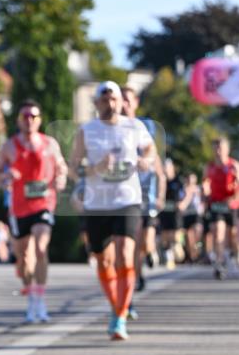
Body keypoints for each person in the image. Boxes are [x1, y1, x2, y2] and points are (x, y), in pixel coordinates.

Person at [70, 80, 155, 341]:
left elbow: (150, 148)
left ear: (121, 102)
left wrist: (146, 159)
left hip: (127, 200)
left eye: (114, 99)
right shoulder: (87, 131)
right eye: (104, 99)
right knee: (104, 261)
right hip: (97, 205)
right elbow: (73, 168)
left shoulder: (134, 126)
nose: (110, 103)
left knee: (125, 256)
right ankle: (116, 306)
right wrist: (95, 168)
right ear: (96, 103)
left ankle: (120, 316)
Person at [0, 100, 67, 323]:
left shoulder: (50, 144)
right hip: (19, 208)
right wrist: (5, 177)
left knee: (41, 249)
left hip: (44, 203)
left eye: (33, 116)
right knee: (23, 258)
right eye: (25, 116)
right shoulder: (9, 146)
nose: (29, 120)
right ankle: (30, 294)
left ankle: (39, 300)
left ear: (39, 120)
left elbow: (62, 167)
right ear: (19, 120)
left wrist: (60, 179)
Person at [120, 86, 165, 296]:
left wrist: (160, 196)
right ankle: (138, 277)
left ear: (135, 102)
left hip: (148, 196)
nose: (124, 104)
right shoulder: (112, 131)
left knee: (146, 241)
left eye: (128, 100)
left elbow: (160, 172)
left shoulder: (143, 129)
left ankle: (151, 252)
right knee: (135, 242)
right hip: (127, 197)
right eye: (121, 100)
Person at [202, 136, 239, 280]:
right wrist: (205, 192)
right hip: (216, 204)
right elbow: (205, 183)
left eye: (221, 148)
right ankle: (220, 262)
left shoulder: (234, 165)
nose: (218, 151)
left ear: (227, 150)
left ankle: (234, 255)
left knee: (234, 236)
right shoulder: (209, 167)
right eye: (216, 148)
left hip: (232, 205)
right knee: (218, 232)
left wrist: (234, 197)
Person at [159, 158, 185, 268]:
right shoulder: (161, 180)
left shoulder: (178, 181)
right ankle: (169, 258)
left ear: (172, 168)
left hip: (175, 213)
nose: (166, 169)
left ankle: (178, 250)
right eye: (164, 167)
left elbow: (183, 194)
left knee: (175, 236)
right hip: (164, 213)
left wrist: (182, 203)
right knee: (165, 236)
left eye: (167, 167)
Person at [180, 172, 204, 262]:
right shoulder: (183, 189)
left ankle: (198, 248)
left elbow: (203, 199)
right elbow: (181, 202)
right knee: (189, 236)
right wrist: (188, 194)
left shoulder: (199, 189)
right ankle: (192, 255)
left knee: (198, 231)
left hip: (196, 214)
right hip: (187, 214)